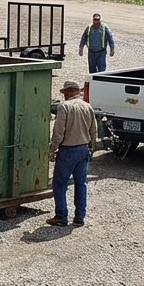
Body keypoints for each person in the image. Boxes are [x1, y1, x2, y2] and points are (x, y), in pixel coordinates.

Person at [48, 79, 94, 227]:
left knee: (60, 183)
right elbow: (94, 131)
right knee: (81, 183)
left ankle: (61, 216)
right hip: (83, 149)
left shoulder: (64, 107)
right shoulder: (87, 107)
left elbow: (59, 132)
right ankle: (79, 216)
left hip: (68, 150)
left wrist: (52, 149)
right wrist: (91, 147)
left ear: (67, 92)